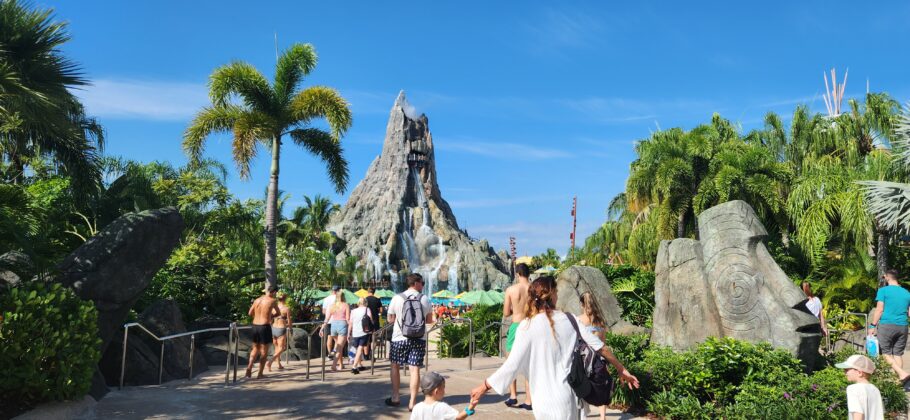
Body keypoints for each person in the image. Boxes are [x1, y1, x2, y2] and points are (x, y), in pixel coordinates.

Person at [469, 276, 639, 419]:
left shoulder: (526, 326)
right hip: (570, 400)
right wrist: (621, 369)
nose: (558, 295)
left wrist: (484, 386)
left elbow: (511, 365)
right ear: (552, 295)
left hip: (545, 402)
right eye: (556, 292)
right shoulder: (571, 320)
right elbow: (601, 348)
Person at [385, 273, 433, 410]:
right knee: (415, 369)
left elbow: (390, 319)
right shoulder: (425, 299)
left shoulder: (397, 298)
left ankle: (395, 397)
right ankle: (412, 402)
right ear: (416, 283)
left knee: (395, 366)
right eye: (422, 283)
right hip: (418, 338)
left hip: (399, 338)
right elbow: (429, 321)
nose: (423, 286)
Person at [869, 269, 910, 388]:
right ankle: (900, 384)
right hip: (903, 326)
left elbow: (879, 309)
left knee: (885, 353)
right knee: (898, 354)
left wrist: (872, 325)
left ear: (887, 277)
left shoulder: (883, 291)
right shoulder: (907, 293)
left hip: (887, 324)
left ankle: (902, 374)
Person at [501, 262, 532, 410]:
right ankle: (529, 400)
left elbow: (506, 313)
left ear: (518, 274)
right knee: (529, 364)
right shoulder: (534, 289)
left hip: (516, 325)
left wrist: (516, 309)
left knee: (510, 361)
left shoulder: (511, 290)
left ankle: (513, 396)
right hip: (530, 325)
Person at [579, 291, 608, 420]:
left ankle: (583, 414)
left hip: (584, 360)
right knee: (600, 387)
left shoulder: (579, 320)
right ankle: (603, 417)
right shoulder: (600, 322)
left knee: (582, 387)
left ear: (581, 304)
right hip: (599, 360)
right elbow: (603, 344)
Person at [410, 371, 476, 420]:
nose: (444, 391)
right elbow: (459, 417)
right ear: (436, 391)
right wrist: (471, 407)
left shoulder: (417, 408)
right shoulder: (442, 407)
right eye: (443, 387)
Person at [836, 354, 884, 420]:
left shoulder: (853, 389)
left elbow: (858, 414)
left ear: (859, 372)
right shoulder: (875, 389)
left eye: (847, 369)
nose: (844, 372)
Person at [246, 286, 279, 379]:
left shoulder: (257, 300)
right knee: (264, 352)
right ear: (274, 292)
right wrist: (271, 316)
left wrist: (257, 316)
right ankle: (260, 374)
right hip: (264, 327)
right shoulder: (272, 301)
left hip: (255, 326)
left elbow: (250, 313)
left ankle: (249, 368)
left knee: (255, 349)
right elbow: (278, 313)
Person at [321, 287, 350, 371]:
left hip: (333, 326)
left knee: (338, 346)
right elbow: (347, 318)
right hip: (342, 325)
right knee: (339, 347)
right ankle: (334, 365)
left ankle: (340, 365)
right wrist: (351, 329)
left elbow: (327, 318)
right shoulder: (345, 305)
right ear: (343, 297)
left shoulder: (332, 306)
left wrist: (322, 328)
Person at [268, 291, 292, 371]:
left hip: (273, 328)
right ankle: (270, 361)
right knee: (282, 348)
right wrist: (290, 328)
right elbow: (289, 321)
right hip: (281, 328)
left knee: (276, 347)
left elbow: (270, 319)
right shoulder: (286, 308)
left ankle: (279, 364)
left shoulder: (274, 308)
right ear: (285, 299)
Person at [348, 296, 373, 374]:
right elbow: (371, 320)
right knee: (360, 348)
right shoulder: (367, 309)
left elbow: (350, 323)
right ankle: (354, 366)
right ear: (365, 302)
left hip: (355, 332)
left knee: (357, 348)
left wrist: (348, 333)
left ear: (358, 303)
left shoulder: (353, 311)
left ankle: (359, 364)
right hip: (364, 331)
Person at [364, 287, 383, 360]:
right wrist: (377, 312)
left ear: (368, 292)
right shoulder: (377, 300)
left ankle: (366, 355)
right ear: (374, 292)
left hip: (366, 321)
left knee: (366, 338)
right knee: (374, 338)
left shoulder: (365, 300)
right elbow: (381, 311)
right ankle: (372, 351)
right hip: (375, 321)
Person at [322, 285, 339, 357]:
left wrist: (329, 313)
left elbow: (323, 311)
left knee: (329, 337)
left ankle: (329, 353)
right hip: (337, 320)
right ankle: (334, 352)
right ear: (338, 291)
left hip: (328, 320)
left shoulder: (326, 299)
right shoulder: (339, 299)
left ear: (332, 290)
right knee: (337, 338)